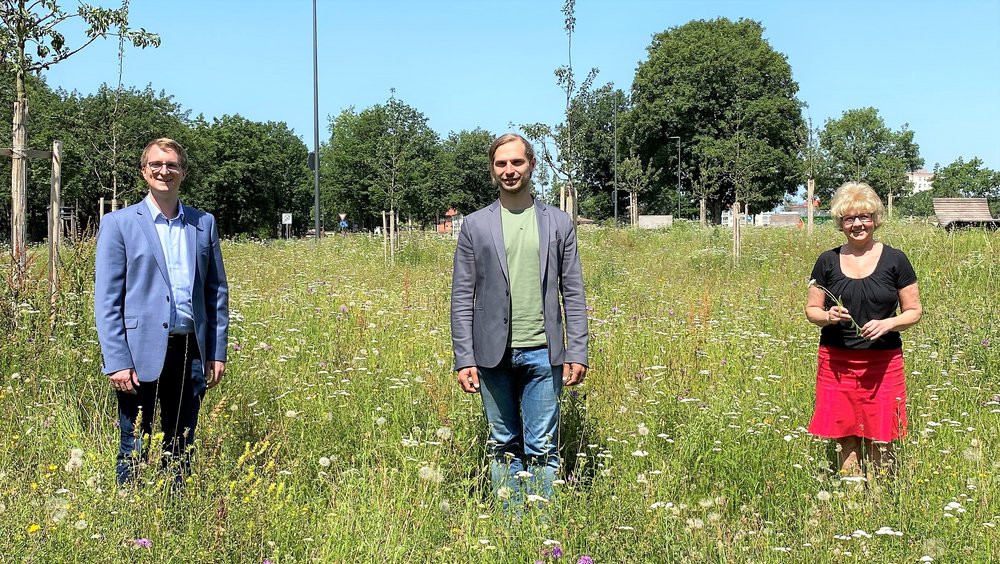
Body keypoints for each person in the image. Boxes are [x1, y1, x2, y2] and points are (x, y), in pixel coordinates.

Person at [450, 133, 589, 507]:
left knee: (542, 446)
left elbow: (573, 292)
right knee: (502, 444)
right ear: (492, 170)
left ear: (531, 165)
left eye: (516, 162)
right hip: (491, 356)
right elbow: (461, 297)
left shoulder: (558, 222)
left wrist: (578, 350)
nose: (509, 170)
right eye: (501, 164)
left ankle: (541, 529)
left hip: (544, 353)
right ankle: (511, 527)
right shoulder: (475, 226)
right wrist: (464, 358)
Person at [95, 138, 229, 486]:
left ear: (183, 172)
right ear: (144, 171)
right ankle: (130, 509)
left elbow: (216, 292)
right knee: (134, 444)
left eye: (171, 165)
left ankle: (175, 509)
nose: (163, 171)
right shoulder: (119, 224)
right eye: (156, 164)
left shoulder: (203, 224)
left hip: (190, 352)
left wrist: (216, 351)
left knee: (181, 443)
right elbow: (107, 300)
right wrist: (116, 360)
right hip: (138, 354)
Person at [805, 182, 921, 477]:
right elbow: (811, 310)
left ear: (875, 219)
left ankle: (879, 495)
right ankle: (852, 495)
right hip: (836, 362)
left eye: (864, 217)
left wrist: (889, 323)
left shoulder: (896, 259)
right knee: (845, 435)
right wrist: (828, 316)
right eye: (849, 218)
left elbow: (914, 312)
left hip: (883, 363)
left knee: (882, 436)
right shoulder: (827, 261)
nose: (857, 224)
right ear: (840, 223)